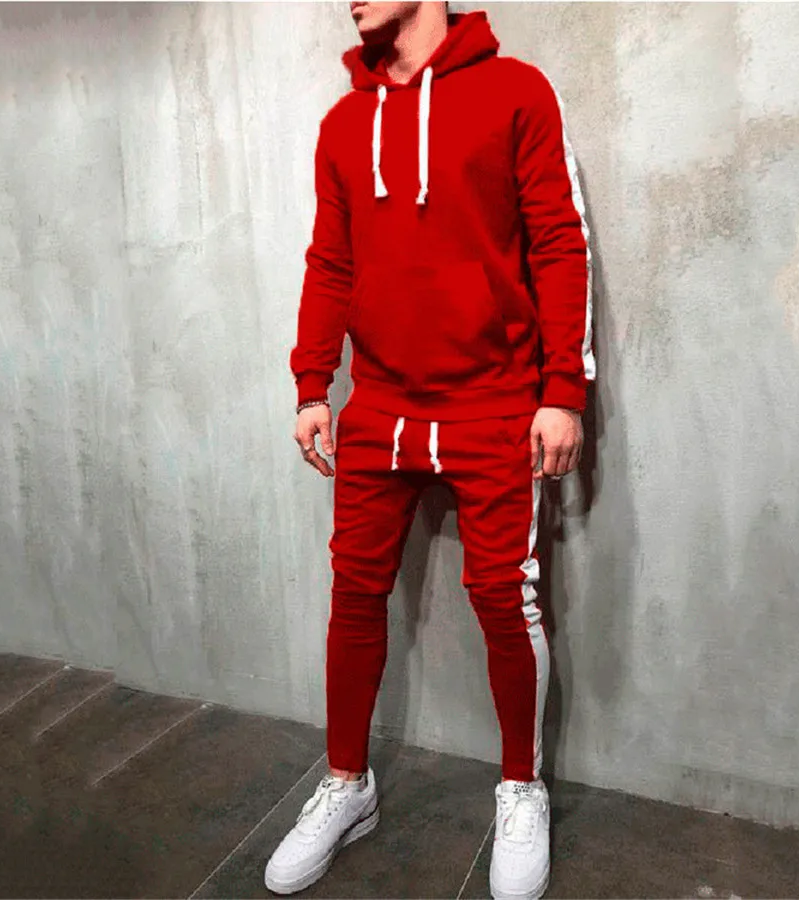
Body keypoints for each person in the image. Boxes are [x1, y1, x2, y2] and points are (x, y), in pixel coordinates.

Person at [266, 3, 594, 897]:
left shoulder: (516, 92)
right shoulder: (345, 123)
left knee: (504, 599)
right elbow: (331, 260)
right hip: (379, 405)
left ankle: (521, 789)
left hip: (495, 402)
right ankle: (348, 784)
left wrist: (563, 390)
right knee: (353, 594)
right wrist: (311, 385)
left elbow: (558, 242)